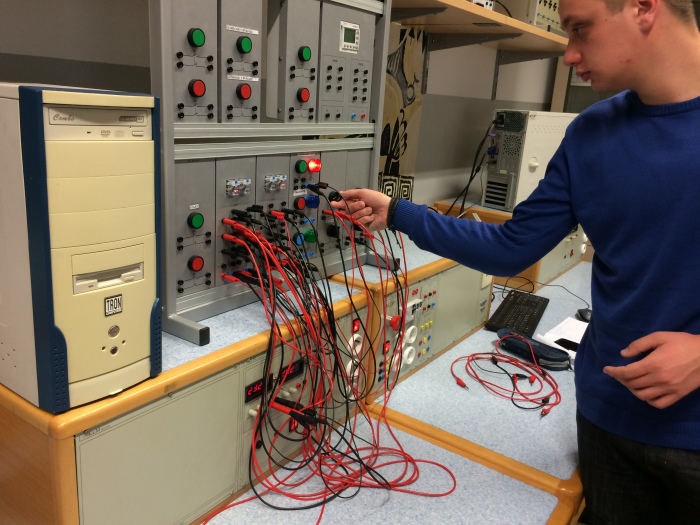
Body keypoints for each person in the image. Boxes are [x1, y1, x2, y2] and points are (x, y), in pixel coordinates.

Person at [332, 0, 700, 523]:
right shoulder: (592, 132)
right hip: (607, 420)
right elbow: (511, 248)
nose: (569, 55)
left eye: (581, 29)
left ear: (643, 7)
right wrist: (396, 212)